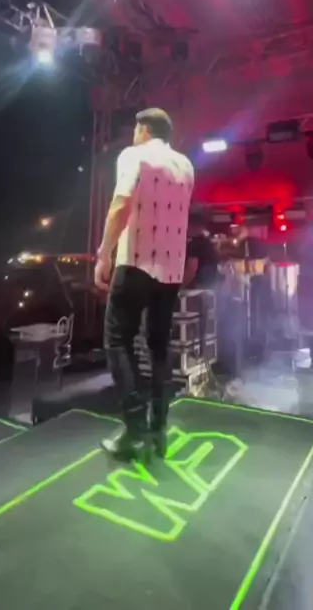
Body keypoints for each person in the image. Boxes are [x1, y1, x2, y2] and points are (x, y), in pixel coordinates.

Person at [94, 108, 194, 461]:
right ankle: (158, 426)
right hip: (171, 270)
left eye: (136, 129)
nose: (133, 135)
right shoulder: (186, 166)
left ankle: (134, 427)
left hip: (136, 261)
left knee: (117, 340)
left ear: (145, 129)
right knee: (159, 347)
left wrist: (104, 254)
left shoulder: (134, 155)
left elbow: (120, 205)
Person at [183, 215, 220, 289]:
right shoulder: (208, 242)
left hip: (197, 285)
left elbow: (191, 269)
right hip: (208, 285)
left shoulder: (195, 243)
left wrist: (181, 286)